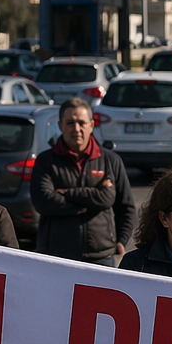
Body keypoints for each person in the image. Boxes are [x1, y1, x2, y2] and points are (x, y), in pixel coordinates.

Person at [30, 98, 135, 264]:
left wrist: (121, 239)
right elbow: (43, 202)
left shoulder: (110, 161)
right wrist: (93, 200)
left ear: (91, 125)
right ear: (60, 126)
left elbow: (126, 207)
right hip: (57, 257)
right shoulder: (46, 161)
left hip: (101, 257)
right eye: (70, 123)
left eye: (81, 123)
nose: (76, 129)